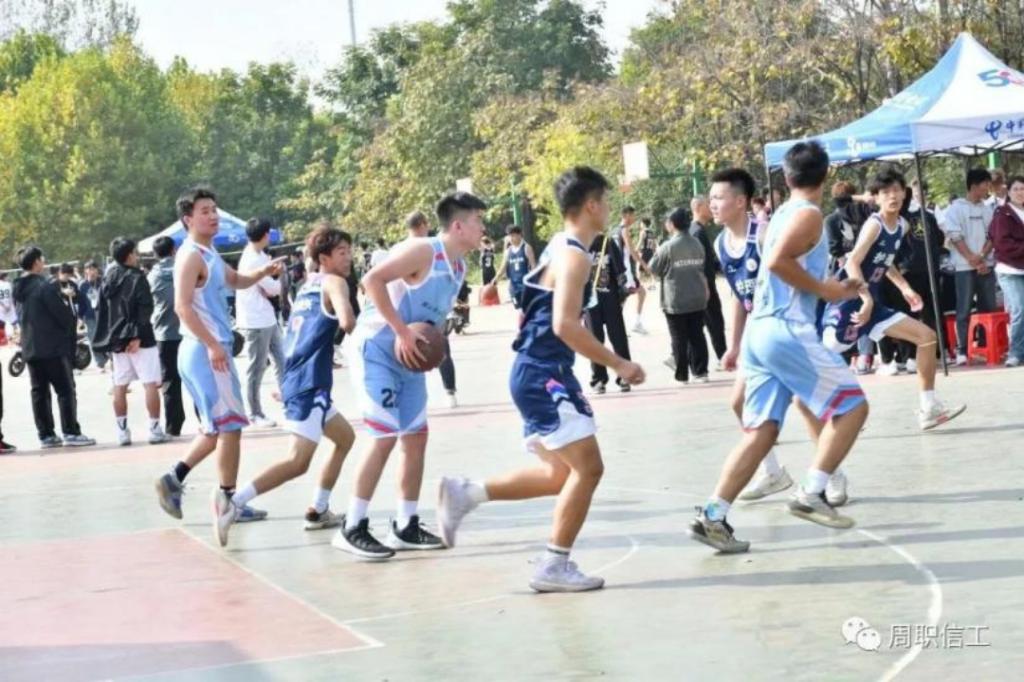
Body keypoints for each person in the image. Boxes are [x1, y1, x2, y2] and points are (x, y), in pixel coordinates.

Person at [436, 166, 646, 592]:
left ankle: (467, 493)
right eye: (606, 201)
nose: (608, 209)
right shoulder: (575, 256)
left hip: (537, 371)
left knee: (560, 475)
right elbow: (565, 325)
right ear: (592, 205)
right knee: (589, 469)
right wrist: (618, 363)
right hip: (543, 373)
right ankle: (554, 565)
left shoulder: (558, 245)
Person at [688, 141, 866, 554]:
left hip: (761, 332)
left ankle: (713, 515)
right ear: (826, 175)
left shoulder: (780, 214)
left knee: (762, 431)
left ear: (786, 177)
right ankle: (813, 491)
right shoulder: (807, 215)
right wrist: (827, 290)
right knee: (853, 408)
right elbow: (777, 263)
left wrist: (830, 284)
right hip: (786, 327)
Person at [333, 191, 484, 559]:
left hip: (409, 357)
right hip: (377, 349)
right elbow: (372, 280)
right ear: (458, 226)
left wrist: (434, 344)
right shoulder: (424, 251)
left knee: (416, 437)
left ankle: (405, 524)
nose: (484, 228)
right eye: (478, 221)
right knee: (383, 436)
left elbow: (431, 321)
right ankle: (351, 526)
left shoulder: (459, 268)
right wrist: (401, 331)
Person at [153, 187, 284, 545]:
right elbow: (182, 307)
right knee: (231, 427)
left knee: (215, 429)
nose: (213, 216)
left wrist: (263, 271)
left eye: (214, 209)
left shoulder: (209, 252)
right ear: (188, 220)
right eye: (204, 211)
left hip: (207, 350)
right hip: (205, 350)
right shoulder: (190, 257)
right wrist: (212, 345)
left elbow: (236, 280)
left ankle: (174, 478)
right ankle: (228, 500)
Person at [224, 226, 358, 538]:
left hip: (301, 379)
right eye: (342, 252)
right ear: (324, 258)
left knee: (345, 438)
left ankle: (318, 509)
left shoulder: (309, 284)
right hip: (310, 383)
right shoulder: (335, 282)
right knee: (297, 462)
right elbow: (348, 322)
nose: (349, 258)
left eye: (350, 252)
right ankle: (234, 502)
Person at [820, 167, 965, 431]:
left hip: (873, 305)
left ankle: (929, 408)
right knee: (823, 354)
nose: (892, 196)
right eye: (885, 192)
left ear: (904, 193)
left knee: (927, 337)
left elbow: (885, 263)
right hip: (850, 303)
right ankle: (811, 409)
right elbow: (852, 262)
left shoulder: (902, 225)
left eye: (897, 190)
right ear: (876, 197)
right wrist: (865, 299)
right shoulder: (874, 225)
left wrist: (905, 288)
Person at [13, 246, 95, 449]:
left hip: (30, 346)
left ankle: (46, 434)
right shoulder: (44, 286)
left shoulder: (18, 288)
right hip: (52, 346)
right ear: (36, 262)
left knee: (39, 392)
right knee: (65, 390)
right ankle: (71, 432)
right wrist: (70, 316)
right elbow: (62, 315)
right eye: (41, 259)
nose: (43, 262)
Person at [91, 237, 169, 446]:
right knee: (150, 383)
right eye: (134, 252)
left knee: (120, 384)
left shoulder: (108, 279)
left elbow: (103, 311)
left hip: (116, 340)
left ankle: (122, 431)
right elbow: (145, 308)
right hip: (141, 338)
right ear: (129, 255)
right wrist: (136, 335)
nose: (137, 256)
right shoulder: (137, 277)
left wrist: (112, 339)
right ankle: (154, 429)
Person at [942, 168, 997, 365]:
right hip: (963, 267)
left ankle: (985, 345)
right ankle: (962, 350)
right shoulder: (955, 209)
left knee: (988, 307)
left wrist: (981, 257)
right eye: (985, 185)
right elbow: (955, 236)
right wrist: (971, 259)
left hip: (986, 265)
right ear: (973, 186)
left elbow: (993, 236)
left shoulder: (987, 209)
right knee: (963, 309)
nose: (987, 189)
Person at [650, 207, 709, 383]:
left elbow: (653, 268)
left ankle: (682, 375)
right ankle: (701, 372)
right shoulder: (697, 243)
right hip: (697, 297)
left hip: (676, 300)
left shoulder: (667, 247)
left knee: (678, 338)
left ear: (672, 224)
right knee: (697, 335)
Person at [237, 217, 286, 428]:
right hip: (255, 321)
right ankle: (254, 413)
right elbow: (273, 289)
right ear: (265, 235)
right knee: (256, 368)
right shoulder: (253, 259)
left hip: (266, 317)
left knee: (281, 359)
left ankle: (287, 396)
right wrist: (280, 275)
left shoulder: (259, 255)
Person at [585, 230, 632, 393]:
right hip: (590, 301)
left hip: (610, 298)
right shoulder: (580, 244)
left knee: (618, 337)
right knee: (594, 340)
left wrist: (623, 289)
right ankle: (599, 378)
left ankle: (624, 375)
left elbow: (620, 270)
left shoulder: (608, 242)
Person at [148, 236, 185, 437]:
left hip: (163, 334)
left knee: (170, 381)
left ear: (155, 254)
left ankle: (173, 427)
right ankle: (205, 421)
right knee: (197, 379)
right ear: (174, 250)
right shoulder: (184, 270)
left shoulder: (151, 276)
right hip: (188, 331)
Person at [988, 174, 1024, 367]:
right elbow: (1002, 244)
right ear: (1008, 192)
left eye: (1023, 189)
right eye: (1016, 189)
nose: (1020, 192)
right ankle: (1015, 352)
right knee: (1019, 309)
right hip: (1009, 270)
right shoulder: (1002, 214)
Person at [689, 196, 727, 367]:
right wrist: (705, 285)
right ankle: (723, 357)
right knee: (714, 322)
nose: (711, 208)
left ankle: (721, 357)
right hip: (704, 287)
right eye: (707, 205)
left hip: (701, 285)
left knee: (705, 324)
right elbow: (699, 262)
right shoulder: (697, 232)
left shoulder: (696, 230)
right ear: (698, 207)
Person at [612, 206, 649, 334]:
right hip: (625, 270)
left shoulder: (614, 231)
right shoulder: (624, 231)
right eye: (633, 215)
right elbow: (632, 252)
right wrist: (644, 265)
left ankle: (622, 326)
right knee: (636, 294)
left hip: (618, 269)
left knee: (625, 297)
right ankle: (628, 325)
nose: (634, 218)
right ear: (627, 215)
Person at [492, 225, 535, 309]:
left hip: (525, 285)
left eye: (513, 235)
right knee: (518, 309)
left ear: (519, 235)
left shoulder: (526, 248)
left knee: (526, 309)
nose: (511, 238)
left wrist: (534, 281)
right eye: (509, 236)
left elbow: (533, 265)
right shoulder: (508, 251)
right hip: (513, 287)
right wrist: (495, 279)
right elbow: (503, 267)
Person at [77, 261, 108, 371]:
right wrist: (80, 317)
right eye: (89, 269)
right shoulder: (82, 285)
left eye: (94, 269)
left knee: (106, 338)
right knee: (93, 339)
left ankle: (108, 358)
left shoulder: (103, 282)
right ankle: (100, 363)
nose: (92, 271)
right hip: (89, 316)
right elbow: (80, 302)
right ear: (85, 271)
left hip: (103, 315)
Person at [0, 272, 16, 341]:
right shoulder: (8, 284)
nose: (8, 278)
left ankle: (2, 338)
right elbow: (11, 296)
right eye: (7, 276)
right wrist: (9, 305)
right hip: (9, 306)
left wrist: (3, 305)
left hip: (1, 306)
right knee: (14, 322)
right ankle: (16, 337)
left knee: (1, 323)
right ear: (4, 277)